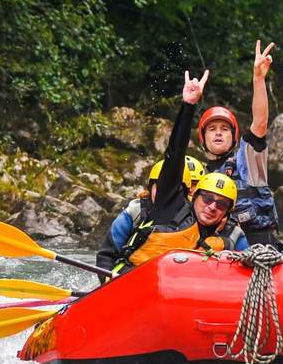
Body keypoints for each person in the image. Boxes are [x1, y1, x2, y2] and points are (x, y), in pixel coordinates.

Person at [104, 70, 249, 275]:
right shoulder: (170, 208)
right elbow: (174, 155)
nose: (212, 207)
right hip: (129, 284)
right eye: (207, 198)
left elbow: (252, 268)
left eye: (221, 204)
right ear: (195, 195)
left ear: (227, 212)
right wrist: (188, 106)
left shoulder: (230, 235)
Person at [198, 40, 283, 249]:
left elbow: (260, 123)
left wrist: (258, 79)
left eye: (224, 129)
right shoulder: (199, 176)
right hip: (220, 250)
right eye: (212, 129)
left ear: (234, 138)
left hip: (258, 250)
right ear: (203, 139)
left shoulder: (247, 161)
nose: (218, 132)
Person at [96, 155, 205, 274]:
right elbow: (106, 254)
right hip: (126, 276)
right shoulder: (136, 210)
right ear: (151, 186)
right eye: (159, 186)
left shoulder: (196, 217)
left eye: (196, 185)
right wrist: (106, 279)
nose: (163, 193)